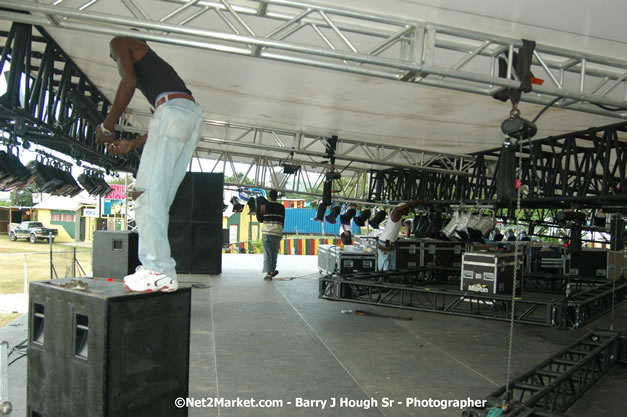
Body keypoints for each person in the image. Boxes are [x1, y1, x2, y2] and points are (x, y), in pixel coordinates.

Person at [96, 35, 203, 292]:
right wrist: (133, 144)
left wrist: (107, 126)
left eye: (115, 59)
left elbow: (128, 80)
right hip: (190, 116)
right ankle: (158, 267)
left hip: (172, 113)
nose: (115, 60)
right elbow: (173, 114)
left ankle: (159, 269)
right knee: (160, 199)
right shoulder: (161, 71)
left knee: (145, 196)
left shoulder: (119, 41)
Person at [377, 199, 428, 271]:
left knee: (390, 266)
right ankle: (382, 279)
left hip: (389, 244)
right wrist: (420, 201)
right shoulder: (395, 213)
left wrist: (408, 231)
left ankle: (385, 279)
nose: (408, 211)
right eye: (407, 209)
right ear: (402, 209)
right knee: (385, 265)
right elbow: (408, 205)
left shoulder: (399, 218)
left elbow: (405, 225)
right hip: (385, 243)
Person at [256, 190, 285, 280]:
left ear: (269, 196)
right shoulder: (281, 207)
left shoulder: (264, 206)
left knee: (268, 253)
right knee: (274, 253)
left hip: (267, 232)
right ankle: (272, 270)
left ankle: (269, 274)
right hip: (277, 232)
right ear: (277, 196)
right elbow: (282, 221)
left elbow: (260, 219)